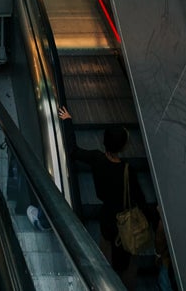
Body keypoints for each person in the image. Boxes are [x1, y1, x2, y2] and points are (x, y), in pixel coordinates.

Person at [57, 107, 157, 274]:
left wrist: (67, 120)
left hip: (106, 215)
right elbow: (140, 199)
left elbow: (73, 151)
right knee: (123, 258)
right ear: (122, 147)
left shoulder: (97, 159)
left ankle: (104, 273)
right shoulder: (127, 169)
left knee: (106, 245)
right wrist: (153, 220)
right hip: (124, 219)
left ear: (105, 142)